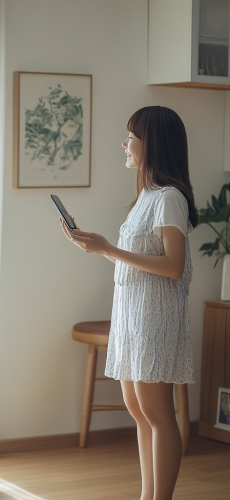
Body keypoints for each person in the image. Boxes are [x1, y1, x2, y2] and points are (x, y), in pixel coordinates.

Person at [61, 106, 197, 500]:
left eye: (131, 136)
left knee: (157, 414)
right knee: (139, 412)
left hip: (155, 317)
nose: (124, 143)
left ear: (151, 143)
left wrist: (110, 249)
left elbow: (173, 266)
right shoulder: (146, 198)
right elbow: (141, 261)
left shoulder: (169, 198)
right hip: (132, 315)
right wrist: (97, 249)